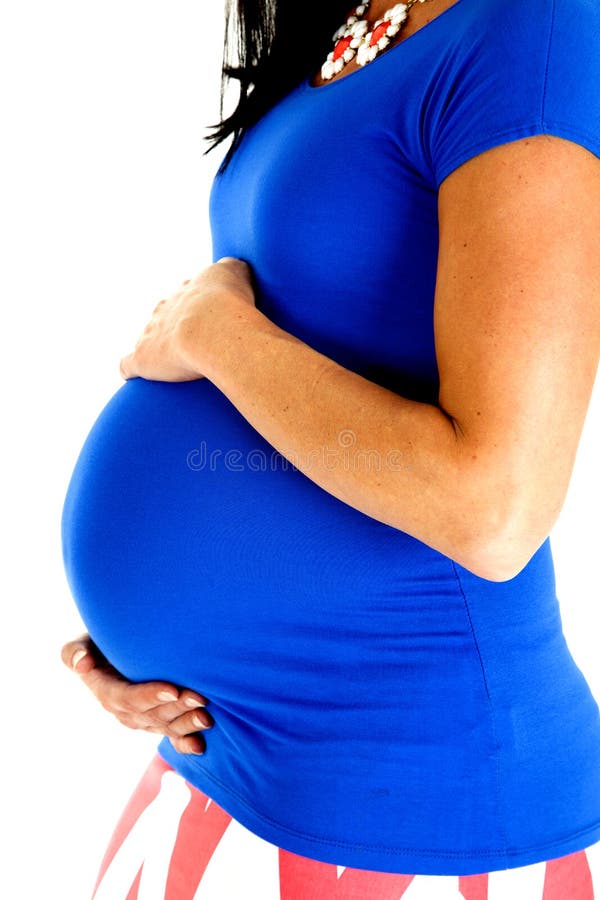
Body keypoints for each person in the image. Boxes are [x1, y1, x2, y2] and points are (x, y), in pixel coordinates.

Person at [60, 0, 600, 896]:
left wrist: (212, 335)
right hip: (214, 769)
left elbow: (494, 507)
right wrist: (152, 642)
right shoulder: (354, 18)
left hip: (416, 821)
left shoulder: (535, 28)